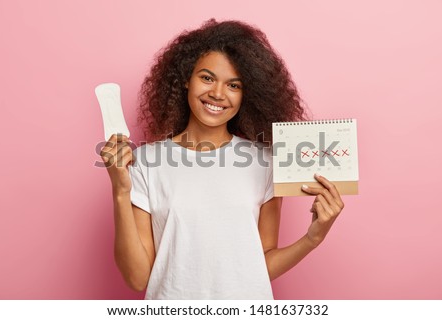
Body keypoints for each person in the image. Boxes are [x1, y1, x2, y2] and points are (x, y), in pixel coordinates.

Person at [100, 19, 344, 299]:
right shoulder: (145, 163)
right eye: (206, 78)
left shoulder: (266, 163)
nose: (217, 93)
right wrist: (120, 190)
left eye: (234, 85)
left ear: (246, 95)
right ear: (185, 80)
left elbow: (258, 263)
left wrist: (313, 238)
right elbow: (137, 277)